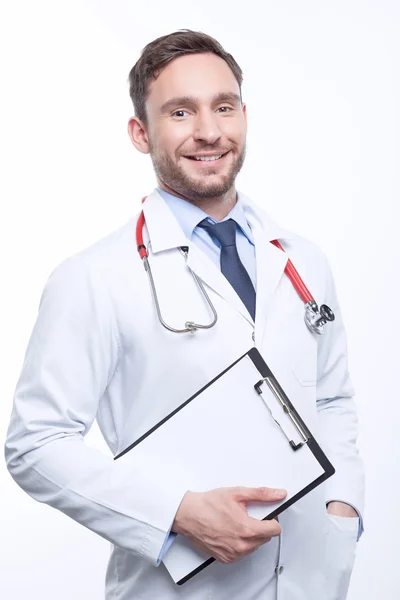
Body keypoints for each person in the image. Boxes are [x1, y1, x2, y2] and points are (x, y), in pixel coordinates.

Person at [5, 29, 364, 600]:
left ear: (244, 115)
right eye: (180, 111)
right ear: (140, 134)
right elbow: (35, 443)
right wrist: (176, 514)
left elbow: (330, 399)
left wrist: (342, 511)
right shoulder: (94, 278)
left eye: (223, 107)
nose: (209, 131)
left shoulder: (302, 260)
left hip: (312, 580)